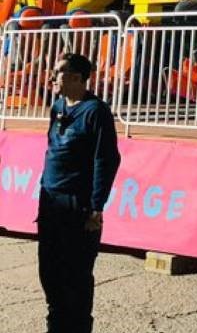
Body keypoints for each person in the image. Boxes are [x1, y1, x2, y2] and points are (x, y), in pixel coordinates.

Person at [38, 52, 121, 333]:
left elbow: (106, 159)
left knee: (76, 276)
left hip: (78, 205)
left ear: (76, 77)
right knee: (50, 273)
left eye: (58, 71)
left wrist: (97, 207)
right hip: (51, 203)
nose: (52, 76)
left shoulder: (96, 112)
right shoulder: (57, 105)